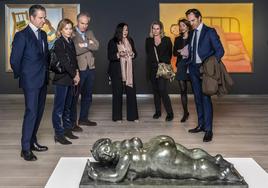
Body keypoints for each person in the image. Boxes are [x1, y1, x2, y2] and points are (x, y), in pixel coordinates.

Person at [87, 135, 242, 183]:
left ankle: (223, 174)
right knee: (191, 153)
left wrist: (97, 175)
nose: (106, 154)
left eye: (105, 150)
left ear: (108, 143)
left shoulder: (125, 157)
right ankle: (216, 159)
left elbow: (116, 176)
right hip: (157, 143)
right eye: (103, 156)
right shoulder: (125, 146)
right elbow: (138, 141)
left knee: (193, 168)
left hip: (157, 158)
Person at [10, 5, 49, 161]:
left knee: (39, 113)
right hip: (30, 81)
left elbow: (45, 57)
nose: (43, 20)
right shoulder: (22, 35)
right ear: (31, 18)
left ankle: (33, 142)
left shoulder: (44, 35)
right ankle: (25, 148)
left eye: (44, 17)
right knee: (31, 112)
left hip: (43, 80)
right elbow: (14, 61)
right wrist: (25, 76)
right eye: (40, 17)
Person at [186, 9, 224, 142]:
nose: (191, 23)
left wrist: (211, 65)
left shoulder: (210, 32)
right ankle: (201, 125)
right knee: (197, 98)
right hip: (193, 68)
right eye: (189, 21)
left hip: (205, 69)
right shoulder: (192, 33)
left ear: (200, 18)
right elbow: (193, 50)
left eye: (193, 20)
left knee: (206, 99)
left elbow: (220, 51)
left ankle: (208, 130)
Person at [52, 18, 80, 145]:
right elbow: (64, 62)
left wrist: (77, 73)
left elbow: (74, 60)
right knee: (59, 109)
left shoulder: (70, 42)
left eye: (70, 28)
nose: (68, 31)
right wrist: (74, 75)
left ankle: (67, 130)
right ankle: (58, 134)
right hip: (62, 79)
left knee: (67, 107)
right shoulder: (59, 42)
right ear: (60, 30)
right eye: (66, 29)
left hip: (70, 78)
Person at [71, 12, 99, 131]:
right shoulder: (71, 32)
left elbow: (97, 46)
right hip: (79, 69)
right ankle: (72, 122)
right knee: (74, 97)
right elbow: (76, 50)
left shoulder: (90, 32)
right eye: (82, 23)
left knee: (87, 95)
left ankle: (83, 118)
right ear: (77, 21)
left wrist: (84, 44)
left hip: (90, 68)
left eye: (86, 24)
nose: (84, 26)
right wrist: (89, 44)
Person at [107, 23, 139, 122]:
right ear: (119, 30)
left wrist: (132, 54)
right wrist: (119, 54)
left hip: (128, 71)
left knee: (131, 94)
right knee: (117, 94)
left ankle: (133, 117)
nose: (125, 32)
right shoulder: (112, 42)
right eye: (124, 30)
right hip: (117, 72)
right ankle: (117, 117)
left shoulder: (130, 40)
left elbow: (135, 53)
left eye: (127, 30)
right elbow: (110, 57)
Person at [145, 21, 173, 121]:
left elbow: (170, 54)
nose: (155, 30)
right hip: (152, 68)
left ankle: (170, 113)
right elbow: (149, 55)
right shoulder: (148, 41)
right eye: (154, 28)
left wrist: (163, 62)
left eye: (157, 28)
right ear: (151, 29)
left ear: (161, 29)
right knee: (156, 91)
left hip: (163, 68)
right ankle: (158, 112)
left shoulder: (167, 40)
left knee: (162, 89)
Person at [173, 18, 192, 123]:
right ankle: (185, 113)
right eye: (180, 26)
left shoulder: (193, 37)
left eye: (183, 25)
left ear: (187, 26)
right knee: (183, 91)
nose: (181, 27)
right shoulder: (177, 39)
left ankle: (200, 114)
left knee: (195, 90)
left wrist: (184, 52)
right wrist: (182, 53)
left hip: (192, 66)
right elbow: (174, 53)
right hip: (181, 66)